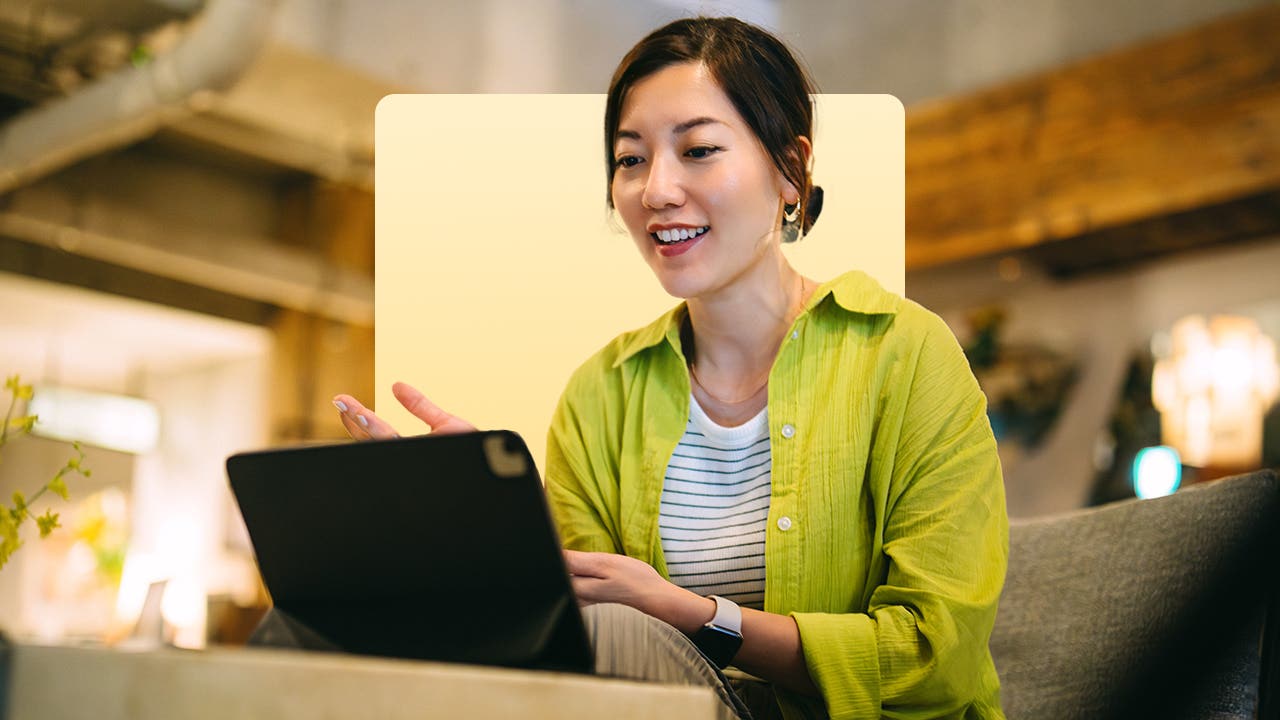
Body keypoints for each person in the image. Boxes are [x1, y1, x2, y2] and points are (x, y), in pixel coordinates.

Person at [333, 17, 1008, 720]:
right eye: (631, 159)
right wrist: (494, 528)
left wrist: (691, 614)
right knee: (320, 627)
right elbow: (571, 641)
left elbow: (937, 659)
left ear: (790, 168)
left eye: (699, 149)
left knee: (618, 633)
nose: (656, 190)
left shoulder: (905, 354)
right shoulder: (603, 392)